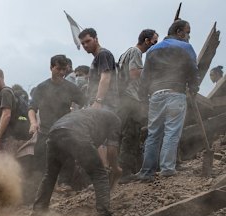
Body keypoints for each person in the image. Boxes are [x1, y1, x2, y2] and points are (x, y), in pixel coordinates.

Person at [131, 19, 199, 182]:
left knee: (153, 134)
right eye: (187, 32)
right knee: (171, 132)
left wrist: (142, 97)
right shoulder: (186, 47)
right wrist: (194, 89)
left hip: (156, 95)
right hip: (176, 93)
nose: (188, 36)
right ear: (179, 32)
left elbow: (145, 76)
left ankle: (147, 171)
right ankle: (167, 168)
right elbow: (193, 69)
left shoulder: (153, 49)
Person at [33, 108, 122, 216]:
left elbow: (80, 148)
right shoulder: (115, 120)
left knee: (50, 175)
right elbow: (111, 150)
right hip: (76, 132)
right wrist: (116, 168)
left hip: (55, 132)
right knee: (99, 174)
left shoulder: (90, 115)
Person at [28, 55, 86, 176]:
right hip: (45, 133)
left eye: (64, 70)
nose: (61, 73)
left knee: (66, 169)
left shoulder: (71, 88)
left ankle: (66, 190)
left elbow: (85, 103)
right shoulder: (42, 87)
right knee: (40, 168)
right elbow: (32, 108)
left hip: (64, 133)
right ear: (51, 68)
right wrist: (33, 123)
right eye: (58, 69)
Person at [117, 29, 159, 183]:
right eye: (154, 41)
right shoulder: (135, 52)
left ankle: (129, 170)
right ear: (146, 41)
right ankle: (125, 173)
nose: (155, 45)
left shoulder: (126, 52)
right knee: (131, 135)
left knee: (128, 135)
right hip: (131, 99)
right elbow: (135, 73)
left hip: (124, 99)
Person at [79, 28, 119, 110]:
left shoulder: (103, 54)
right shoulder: (98, 57)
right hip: (98, 104)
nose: (85, 45)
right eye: (83, 43)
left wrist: (98, 101)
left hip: (104, 104)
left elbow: (105, 78)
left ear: (96, 39)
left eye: (88, 41)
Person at [0, 67, 20, 151]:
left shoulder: (5, 92)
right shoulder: (0, 93)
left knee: (6, 162)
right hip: (4, 137)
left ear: (2, 78)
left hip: (7, 138)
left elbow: (6, 115)